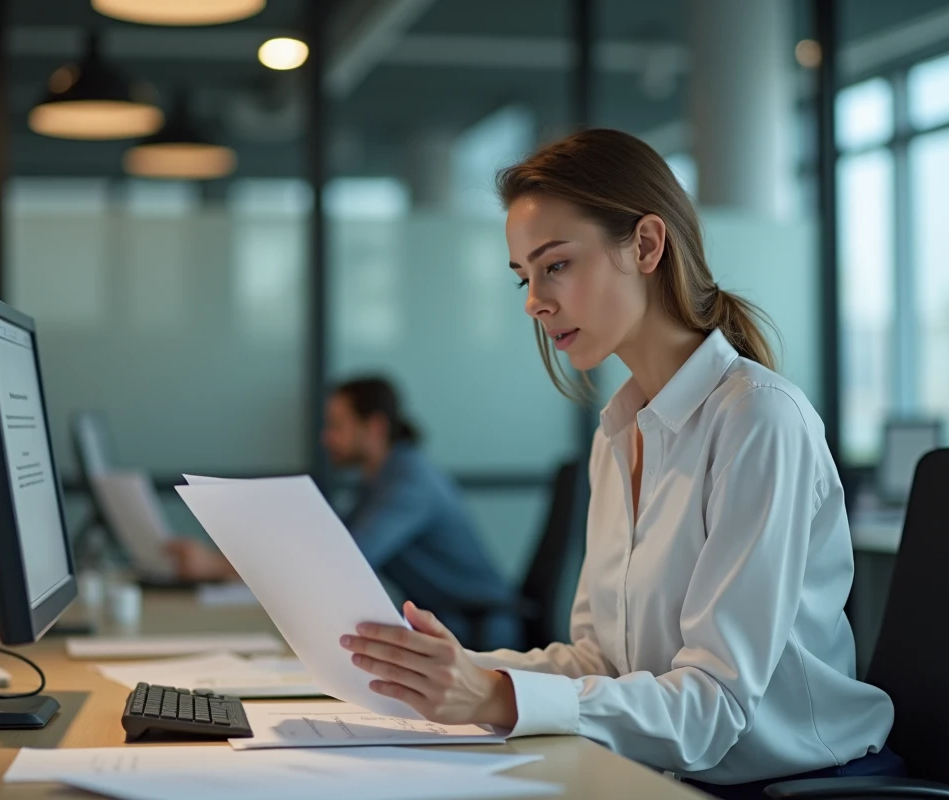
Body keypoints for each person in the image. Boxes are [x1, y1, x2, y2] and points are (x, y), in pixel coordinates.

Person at [338, 129, 901, 798]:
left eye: (555, 265)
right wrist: (448, 672)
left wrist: (493, 695)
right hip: (663, 773)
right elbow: (600, 661)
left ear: (646, 246)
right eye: (524, 277)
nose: (533, 300)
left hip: (796, 783)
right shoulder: (620, 434)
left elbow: (715, 708)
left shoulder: (758, 419)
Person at [166, 377, 521, 650]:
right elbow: (325, 546)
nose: (326, 438)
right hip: (447, 625)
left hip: (478, 631)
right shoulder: (379, 479)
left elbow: (341, 562)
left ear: (375, 428)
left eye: (336, 426)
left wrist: (215, 565)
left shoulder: (409, 482)